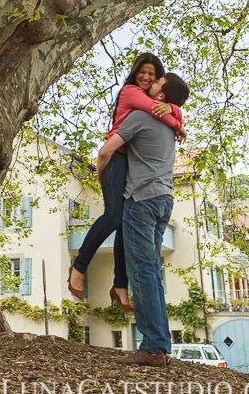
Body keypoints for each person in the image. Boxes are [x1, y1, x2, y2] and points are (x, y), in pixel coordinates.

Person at [67, 54, 185, 310]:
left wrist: (174, 110)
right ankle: (79, 266)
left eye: (152, 74)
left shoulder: (155, 102)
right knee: (113, 217)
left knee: (125, 221)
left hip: (130, 165)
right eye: (142, 71)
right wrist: (177, 119)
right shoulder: (131, 92)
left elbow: (161, 109)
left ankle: (120, 284)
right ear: (135, 73)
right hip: (115, 160)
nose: (146, 77)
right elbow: (156, 110)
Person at [96, 72, 190, 368]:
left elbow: (106, 150)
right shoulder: (168, 125)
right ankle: (161, 345)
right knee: (153, 273)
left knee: (143, 273)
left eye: (156, 83)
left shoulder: (139, 116)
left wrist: (101, 177)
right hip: (164, 200)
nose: (149, 84)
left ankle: (151, 348)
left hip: (141, 201)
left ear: (161, 96)